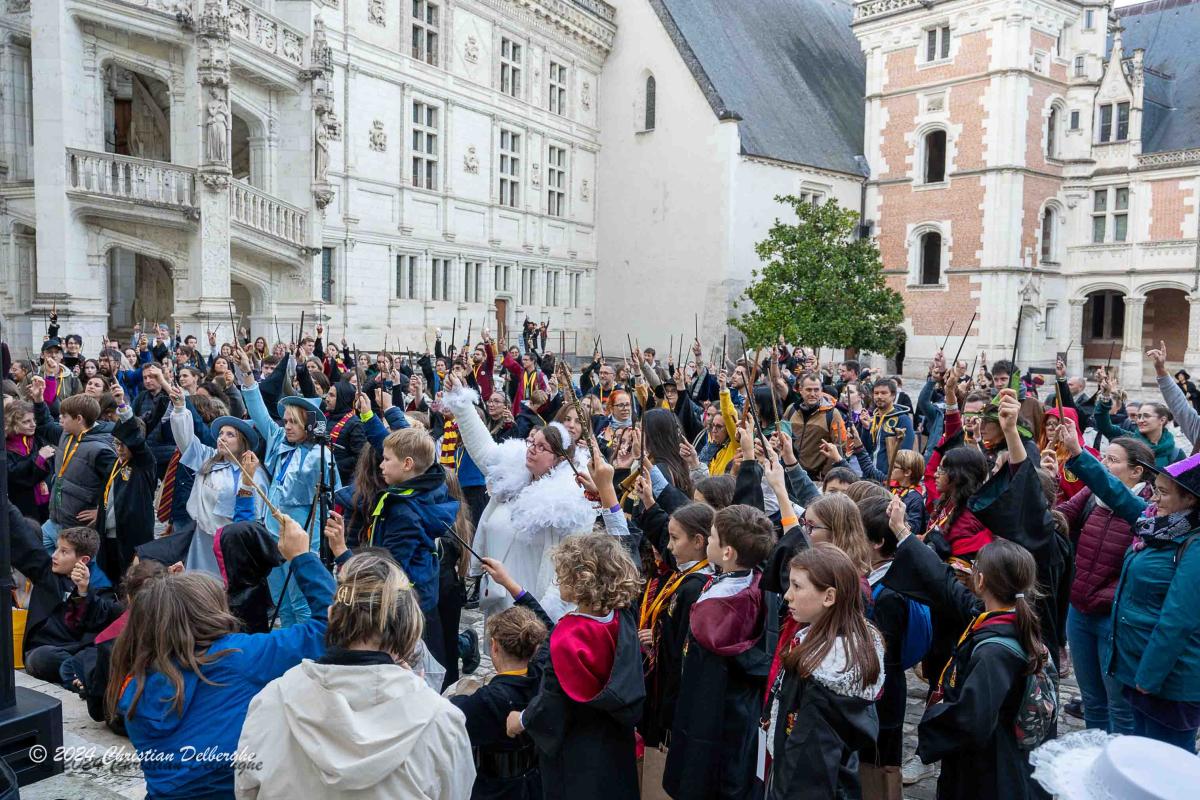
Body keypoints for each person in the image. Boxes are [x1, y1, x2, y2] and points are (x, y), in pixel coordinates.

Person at [110, 516, 334, 799]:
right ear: (208, 612)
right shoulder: (238, 656)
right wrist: (302, 557)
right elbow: (331, 626)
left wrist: (171, 593)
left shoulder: (134, 683)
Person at [236, 551, 474, 800]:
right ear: (410, 627)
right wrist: (418, 697)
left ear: (331, 615)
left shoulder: (271, 701)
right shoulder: (442, 722)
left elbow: (246, 789)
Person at [1057, 418, 1200, 751]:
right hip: (1137, 669)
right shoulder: (1158, 524)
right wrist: (1078, 454)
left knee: (1161, 763)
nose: (1154, 498)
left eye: (1163, 492)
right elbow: (1117, 494)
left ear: (1190, 500)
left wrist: (1146, 680)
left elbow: (1177, 622)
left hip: (1168, 683)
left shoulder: (1193, 544)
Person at [890, 534, 1052, 800]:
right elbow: (949, 589)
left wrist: (934, 719)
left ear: (980, 580)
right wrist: (902, 534)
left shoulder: (994, 653)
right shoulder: (1013, 621)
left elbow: (971, 720)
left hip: (987, 770)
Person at [501, 534, 645, 800]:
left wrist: (520, 720)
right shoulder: (623, 617)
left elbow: (551, 702)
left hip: (577, 749)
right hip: (616, 738)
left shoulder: (568, 636)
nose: (557, 580)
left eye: (561, 574)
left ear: (580, 579)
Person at [440, 375, 595, 619]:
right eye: (533, 442)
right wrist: (462, 402)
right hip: (496, 600)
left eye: (542, 447)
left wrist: (545, 616)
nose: (532, 449)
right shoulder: (515, 475)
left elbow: (569, 565)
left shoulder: (568, 501)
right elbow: (484, 450)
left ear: (559, 459)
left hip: (532, 606)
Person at [325, 415, 458, 666]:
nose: (380, 465)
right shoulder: (427, 484)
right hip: (422, 596)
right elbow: (402, 447)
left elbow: (386, 573)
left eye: (386, 460)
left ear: (407, 464)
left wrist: (342, 551)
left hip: (404, 604)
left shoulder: (403, 513)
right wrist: (369, 417)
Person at [663, 505, 775, 800]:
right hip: (734, 714)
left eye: (711, 536)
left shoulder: (716, 611)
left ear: (727, 552)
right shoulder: (753, 581)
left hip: (711, 716)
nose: (708, 541)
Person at [1054, 423, 1152, 735]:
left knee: (1120, 707)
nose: (1104, 464)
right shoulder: (1090, 496)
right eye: (1103, 458)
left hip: (1113, 619)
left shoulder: (1148, 512)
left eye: (1112, 460)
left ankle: (1118, 762)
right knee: (1093, 701)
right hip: (1080, 611)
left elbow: (1115, 494)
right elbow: (1058, 518)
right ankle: (1095, 757)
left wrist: (1078, 453)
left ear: (1136, 472)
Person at [766, 544, 884, 800]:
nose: (787, 595)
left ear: (829, 597)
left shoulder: (823, 675)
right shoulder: (833, 643)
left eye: (797, 586)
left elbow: (806, 766)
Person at [236, 344, 341, 626]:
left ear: (309, 425)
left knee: (300, 601)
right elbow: (259, 411)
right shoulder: (279, 441)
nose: (288, 427)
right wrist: (247, 373)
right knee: (281, 601)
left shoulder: (320, 454)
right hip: (273, 531)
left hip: (302, 534)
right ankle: (288, 644)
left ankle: (304, 644)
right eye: (286, 421)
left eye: (294, 422)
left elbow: (330, 496)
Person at [450, 583, 550, 800]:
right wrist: (513, 587)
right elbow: (551, 630)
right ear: (535, 647)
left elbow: (448, 717)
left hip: (498, 790)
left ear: (494, 647)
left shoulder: (488, 699)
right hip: (535, 783)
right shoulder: (542, 673)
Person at [635, 500, 716, 747]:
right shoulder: (685, 575)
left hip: (673, 698)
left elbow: (679, 652)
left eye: (674, 538)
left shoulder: (695, 588)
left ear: (698, 541)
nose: (668, 546)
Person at [9, 510, 119, 686]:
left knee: (100, 656)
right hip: (47, 649)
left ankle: (82, 675)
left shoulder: (100, 586)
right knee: (40, 658)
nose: (54, 555)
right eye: (57, 549)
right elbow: (25, 543)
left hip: (80, 649)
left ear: (83, 560)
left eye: (64, 552)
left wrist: (83, 591)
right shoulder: (47, 574)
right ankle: (80, 674)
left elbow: (98, 623)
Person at [167, 383, 268, 575]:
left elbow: (254, 516)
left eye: (230, 435)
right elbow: (186, 441)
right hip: (203, 538)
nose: (222, 438)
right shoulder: (209, 458)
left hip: (231, 544)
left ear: (242, 442)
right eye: (221, 433)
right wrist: (180, 408)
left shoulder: (254, 472)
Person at [30, 384, 117, 549]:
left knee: (76, 564)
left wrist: (102, 512)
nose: (60, 419)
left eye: (64, 416)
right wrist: (39, 401)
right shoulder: (67, 433)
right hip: (55, 519)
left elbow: (116, 484)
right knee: (35, 552)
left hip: (77, 528)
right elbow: (46, 425)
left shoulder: (101, 450)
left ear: (79, 419)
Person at [783, 371, 847, 479]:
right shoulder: (791, 410)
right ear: (801, 390)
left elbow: (841, 446)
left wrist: (825, 473)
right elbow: (782, 438)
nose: (812, 394)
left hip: (816, 477)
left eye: (816, 390)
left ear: (821, 391)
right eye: (808, 390)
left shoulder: (832, 414)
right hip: (790, 472)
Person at [5, 399, 54, 521]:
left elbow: (46, 420)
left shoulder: (36, 438)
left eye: (34, 420)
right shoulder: (6, 446)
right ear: (12, 423)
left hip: (46, 501)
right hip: (23, 505)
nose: (33, 425)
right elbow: (13, 474)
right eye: (26, 421)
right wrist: (39, 458)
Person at [859, 379, 915, 476]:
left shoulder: (902, 420)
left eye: (883, 393)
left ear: (893, 396)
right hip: (869, 476)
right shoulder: (873, 419)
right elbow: (866, 450)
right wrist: (866, 428)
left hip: (888, 478)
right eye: (876, 393)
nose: (879, 396)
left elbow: (905, 453)